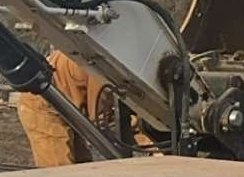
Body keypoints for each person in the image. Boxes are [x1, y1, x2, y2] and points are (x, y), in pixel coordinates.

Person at [15, 48, 150, 165]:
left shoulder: (124, 61)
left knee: (81, 168)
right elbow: (100, 117)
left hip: (69, 107)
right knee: (60, 173)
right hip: (43, 103)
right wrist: (150, 142)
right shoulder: (104, 68)